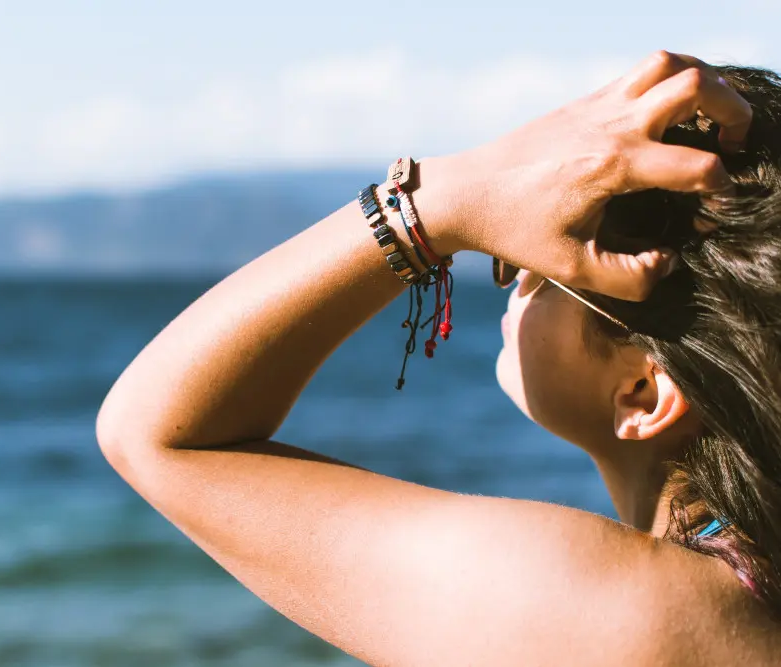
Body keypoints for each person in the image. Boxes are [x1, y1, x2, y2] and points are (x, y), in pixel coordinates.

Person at [96, 51, 781, 665]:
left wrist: (442, 201)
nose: (513, 269)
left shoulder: (626, 615)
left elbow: (155, 436)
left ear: (643, 391)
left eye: (545, 262)